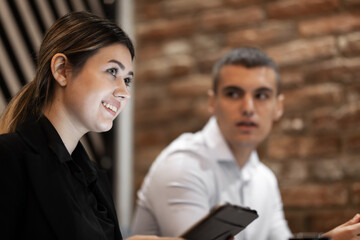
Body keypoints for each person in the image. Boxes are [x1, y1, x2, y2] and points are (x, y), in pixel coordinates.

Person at [132, 47, 360, 240]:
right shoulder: (183, 165)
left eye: (261, 95)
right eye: (233, 94)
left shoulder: (265, 178)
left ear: (278, 107)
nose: (248, 107)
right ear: (213, 102)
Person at [0, 11, 182, 240]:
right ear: (61, 70)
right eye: (112, 71)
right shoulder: (8, 157)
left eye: (127, 80)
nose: (124, 92)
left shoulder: (92, 177)